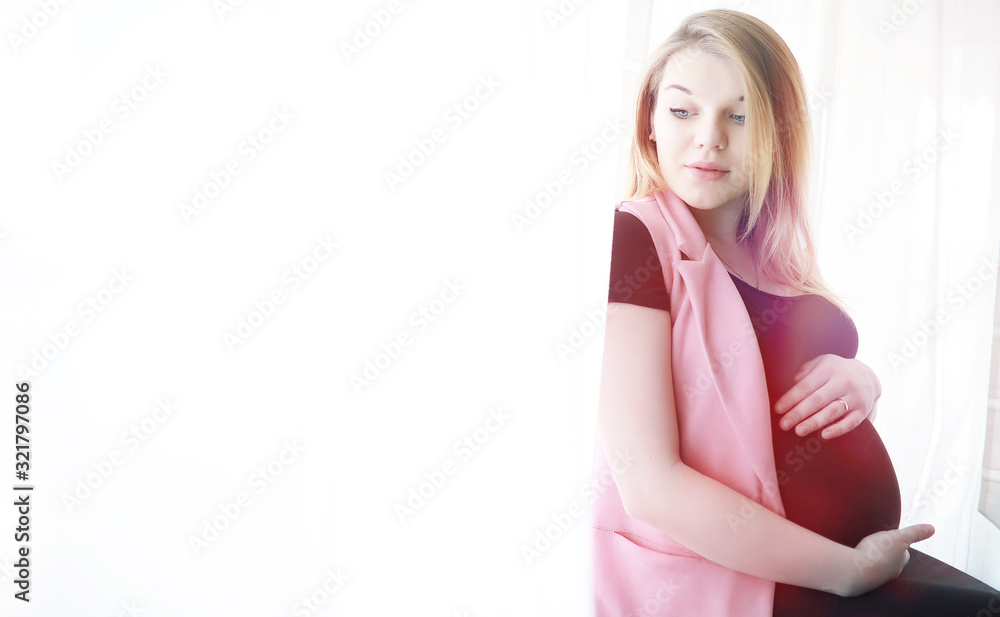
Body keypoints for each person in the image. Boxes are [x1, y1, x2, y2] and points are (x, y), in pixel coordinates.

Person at [591, 9, 1000, 616]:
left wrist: (864, 381)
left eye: (739, 116)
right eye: (682, 110)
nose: (709, 137)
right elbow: (648, 483)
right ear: (649, 120)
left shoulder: (773, 250)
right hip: (760, 583)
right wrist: (846, 571)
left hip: (849, 569)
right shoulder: (637, 236)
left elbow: (774, 393)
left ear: (777, 131)